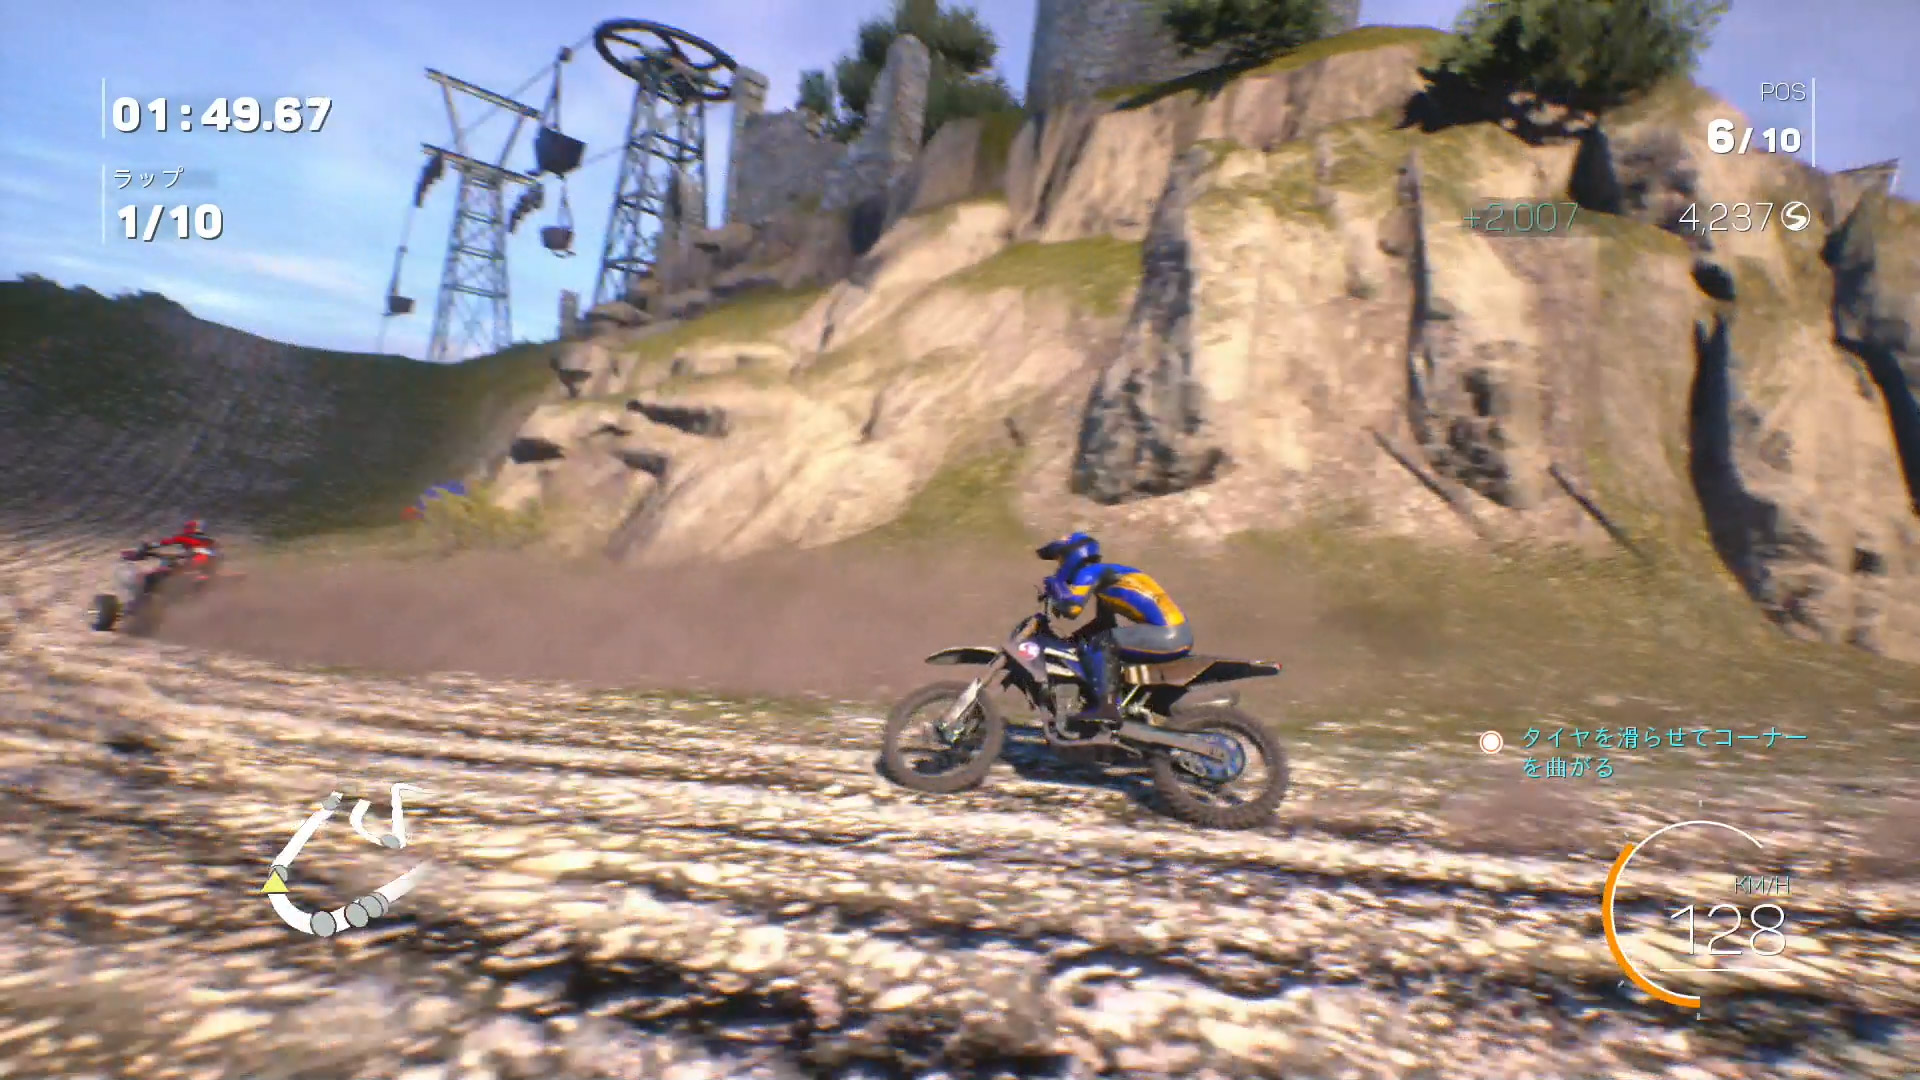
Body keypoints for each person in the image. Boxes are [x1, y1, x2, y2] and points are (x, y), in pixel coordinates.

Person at [1037, 531, 1193, 726]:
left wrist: (1054, 585)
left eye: (1061, 559)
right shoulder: (1106, 576)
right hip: (1174, 633)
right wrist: (1073, 640)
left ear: (1073, 556)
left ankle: (1108, 708)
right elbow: (1104, 623)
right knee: (1099, 641)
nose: (1059, 566)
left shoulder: (1090, 573)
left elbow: (1072, 608)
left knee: (1102, 642)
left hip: (1168, 634)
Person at [140, 519, 219, 579]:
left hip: (193, 565)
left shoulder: (183, 537)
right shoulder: (210, 540)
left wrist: (149, 546)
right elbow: (217, 553)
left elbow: (164, 543)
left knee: (162, 569)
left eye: (187, 527)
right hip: (206, 568)